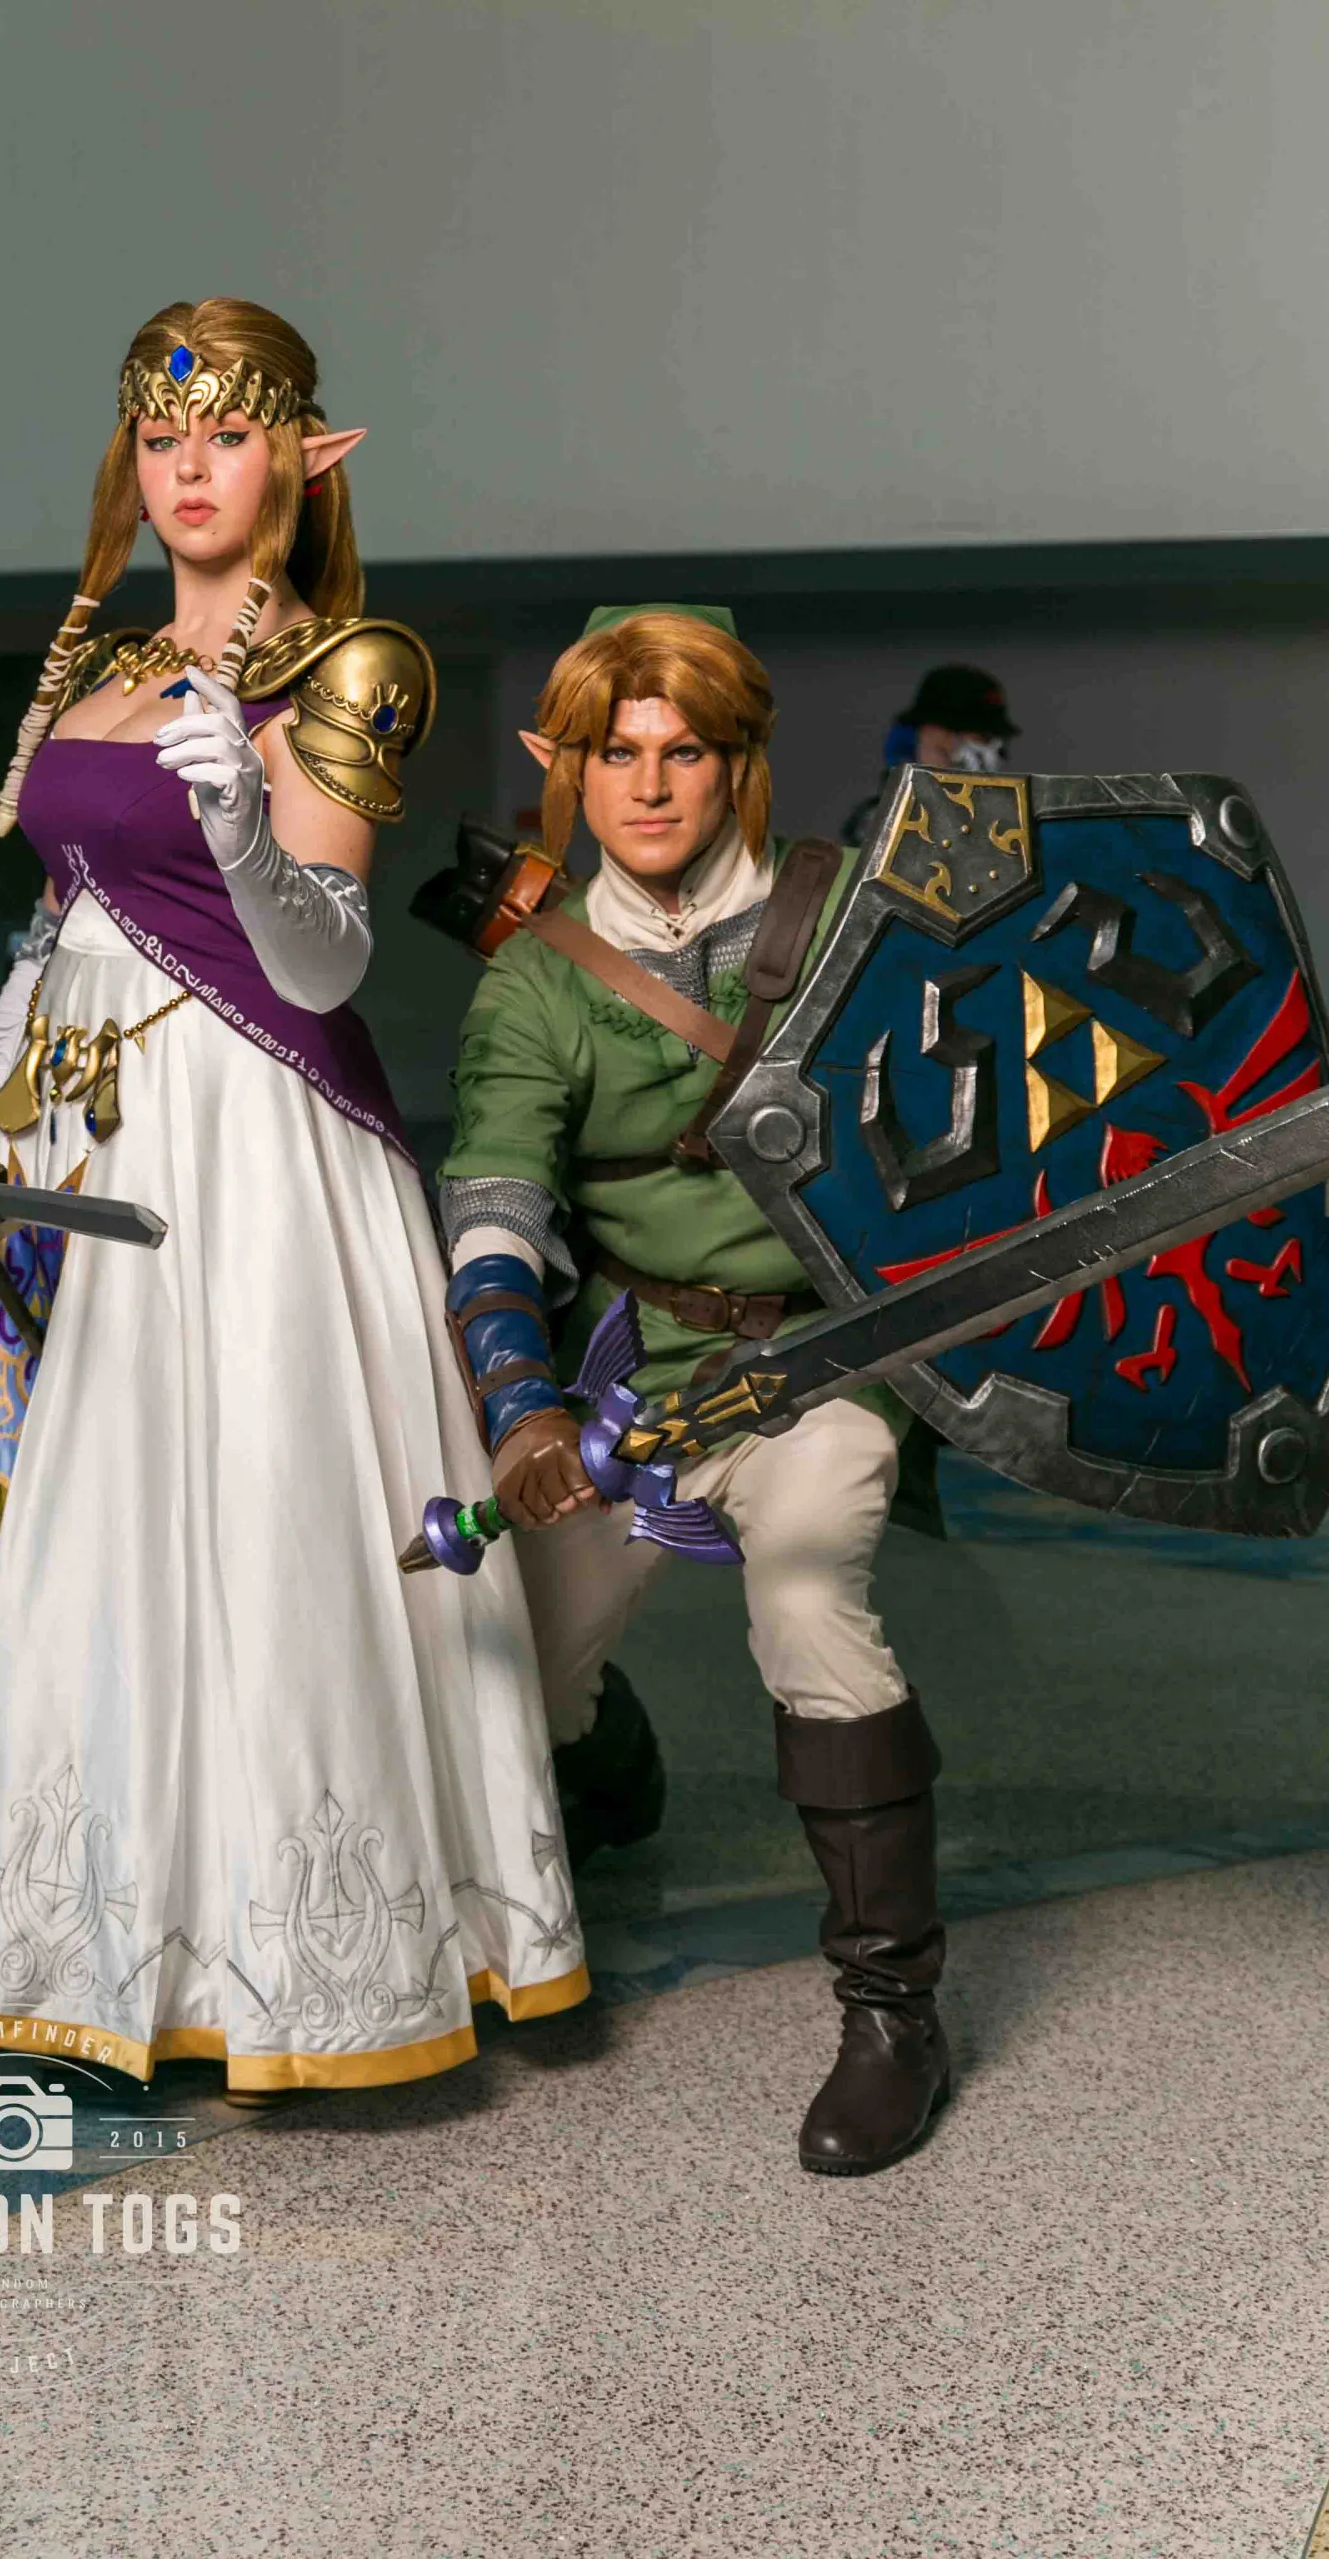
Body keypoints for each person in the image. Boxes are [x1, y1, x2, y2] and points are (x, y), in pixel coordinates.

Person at [0, 299, 587, 2094]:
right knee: (58, 1521)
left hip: (250, 1142)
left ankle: (265, 1969)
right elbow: (57, 926)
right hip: (69, 1135)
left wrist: (247, 828)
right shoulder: (100, 664)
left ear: (303, 459)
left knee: (236, 1515)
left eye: (228, 433)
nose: (189, 466)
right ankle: (49, 1945)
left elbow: (323, 969)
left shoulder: (346, 665)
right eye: (161, 435)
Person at [437, 605, 946, 2177]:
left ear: (736, 763)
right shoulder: (534, 985)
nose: (646, 788)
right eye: (614, 755)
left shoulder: (852, 920)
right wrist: (520, 1405)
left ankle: (890, 2011)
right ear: (569, 771)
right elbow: (496, 1199)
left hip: (819, 1360)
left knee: (802, 1594)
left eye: (681, 753)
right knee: (519, 1658)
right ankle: (609, 1767)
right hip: (627, 1378)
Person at [840, 661, 1019, 847]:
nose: (986, 750)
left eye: (989, 739)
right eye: (978, 737)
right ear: (926, 734)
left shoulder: (1003, 821)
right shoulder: (881, 822)